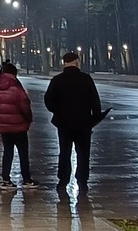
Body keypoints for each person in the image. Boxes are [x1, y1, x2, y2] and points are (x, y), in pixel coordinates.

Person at [44, 50, 105, 191]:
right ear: (77, 62)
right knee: (83, 153)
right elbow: (95, 101)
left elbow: (48, 101)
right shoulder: (86, 79)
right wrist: (95, 118)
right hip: (83, 123)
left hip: (64, 123)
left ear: (64, 64)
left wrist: (57, 112)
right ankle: (82, 179)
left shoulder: (57, 80)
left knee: (64, 152)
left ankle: (63, 178)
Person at [0, 61, 39, 189]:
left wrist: (2, 117)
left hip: (4, 127)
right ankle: (27, 179)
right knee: (23, 153)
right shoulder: (17, 87)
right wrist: (28, 119)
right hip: (19, 126)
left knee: (7, 152)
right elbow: (24, 105)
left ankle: (6, 179)